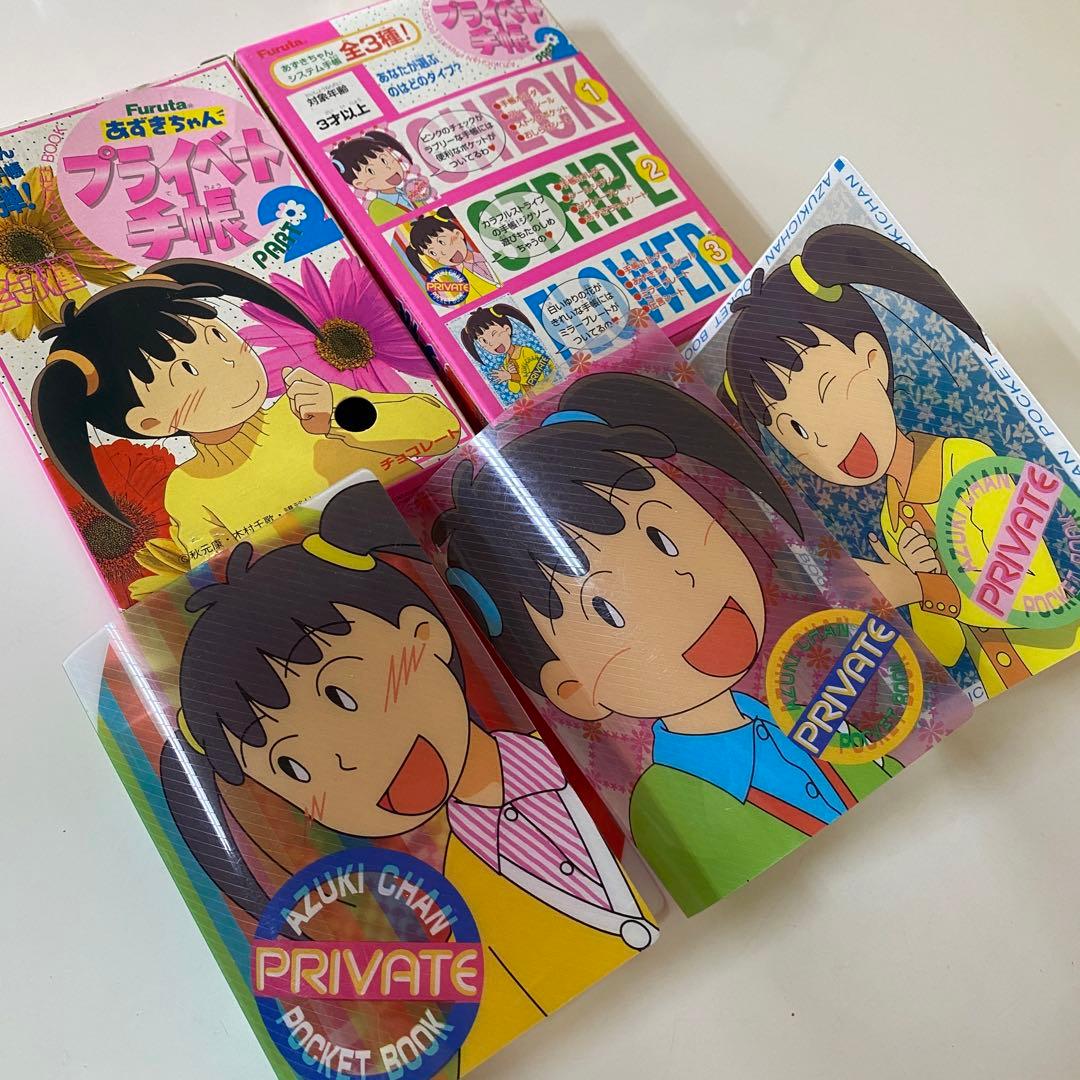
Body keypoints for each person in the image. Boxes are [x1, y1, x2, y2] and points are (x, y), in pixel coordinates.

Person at [166, 481, 655, 1070]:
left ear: (425, 634)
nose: (346, 760)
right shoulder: (455, 918)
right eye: (293, 766)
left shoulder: (602, 766)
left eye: (343, 695)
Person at [433, 372, 899, 911]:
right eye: (606, 608)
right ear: (571, 688)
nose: (683, 582)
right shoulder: (669, 798)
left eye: (663, 538)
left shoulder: (798, 698)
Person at [719, 223, 1080, 696]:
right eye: (796, 431)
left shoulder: (968, 465)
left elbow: (1035, 595)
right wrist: (916, 580)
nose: (823, 440)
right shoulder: (893, 519)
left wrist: (920, 587)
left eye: (826, 393)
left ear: (872, 359)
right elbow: (949, 650)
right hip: (1016, 691)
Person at [31, 260, 461, 583]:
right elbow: (225, 577)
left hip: (445, 535)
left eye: (218, 336)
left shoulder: (307, 407)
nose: (227, 360)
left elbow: (442, 431)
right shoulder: (188, 491)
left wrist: (339, 412)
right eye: (187, 370)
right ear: (149, 422)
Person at [330, 131, 428, 224]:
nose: (388, 168)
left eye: (384, 160)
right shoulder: (377, 208)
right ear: (359, 183)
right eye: (371, 170)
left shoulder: (409, 192)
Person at [403, 209, 499, 303]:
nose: (443, 253)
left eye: (442, 242)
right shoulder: (460, 283)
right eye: (433, 253)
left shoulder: (491, 251)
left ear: (458, 234)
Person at [459, 304, 554, 396]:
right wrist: (511, 375)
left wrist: (510, 376)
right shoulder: (507, 362)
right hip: (532, 399)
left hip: (549, 392)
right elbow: (515, 390)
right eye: (484, 341)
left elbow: (537, 377)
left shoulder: (525, 352)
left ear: (507, 329)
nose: (491, 343)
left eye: (493, 334)